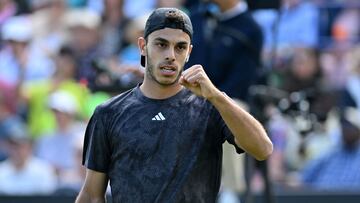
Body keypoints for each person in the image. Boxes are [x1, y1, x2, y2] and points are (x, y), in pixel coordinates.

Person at [76, 7, 272, 203]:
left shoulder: (211, 107)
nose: (170, 54)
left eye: (180, 47)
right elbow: (92, 195)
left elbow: (262, 150)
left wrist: (216, 96)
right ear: (143, 46)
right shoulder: (109, 113)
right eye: (161, 44)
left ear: (189, 52)